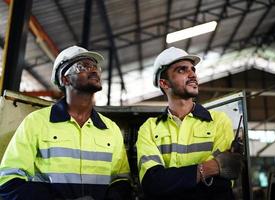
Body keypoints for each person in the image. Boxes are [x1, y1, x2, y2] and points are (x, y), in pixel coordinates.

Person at [0, 46, 132, 200]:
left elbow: (121, 180)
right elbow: (8, 182)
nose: (94, 70)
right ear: (65, 79)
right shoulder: (36, 122)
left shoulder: (110, 129)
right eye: (83, 66)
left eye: (95, 66)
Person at [136, 47, 243, 200]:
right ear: (164, 83)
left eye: (193, 69)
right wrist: (209, 168)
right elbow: (153, 184)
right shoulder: (149, 128)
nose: (192, 74)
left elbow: (221, 186)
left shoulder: (218, 121)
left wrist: (171, 185)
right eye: (182, 70)